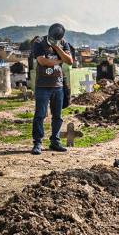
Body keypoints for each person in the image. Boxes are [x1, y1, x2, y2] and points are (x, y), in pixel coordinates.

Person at [30, 23, 74, 155]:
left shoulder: (63, 43)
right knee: (40, 115)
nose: (56, 41)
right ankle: (37, 143)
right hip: (42, 86)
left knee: (57, 116)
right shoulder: (39, 42)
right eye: (54, 39)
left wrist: (56, 47)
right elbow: (42, 61)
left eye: (58, 39)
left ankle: (55, 141)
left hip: (58, 85)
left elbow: (70, 61)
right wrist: (60, 61)